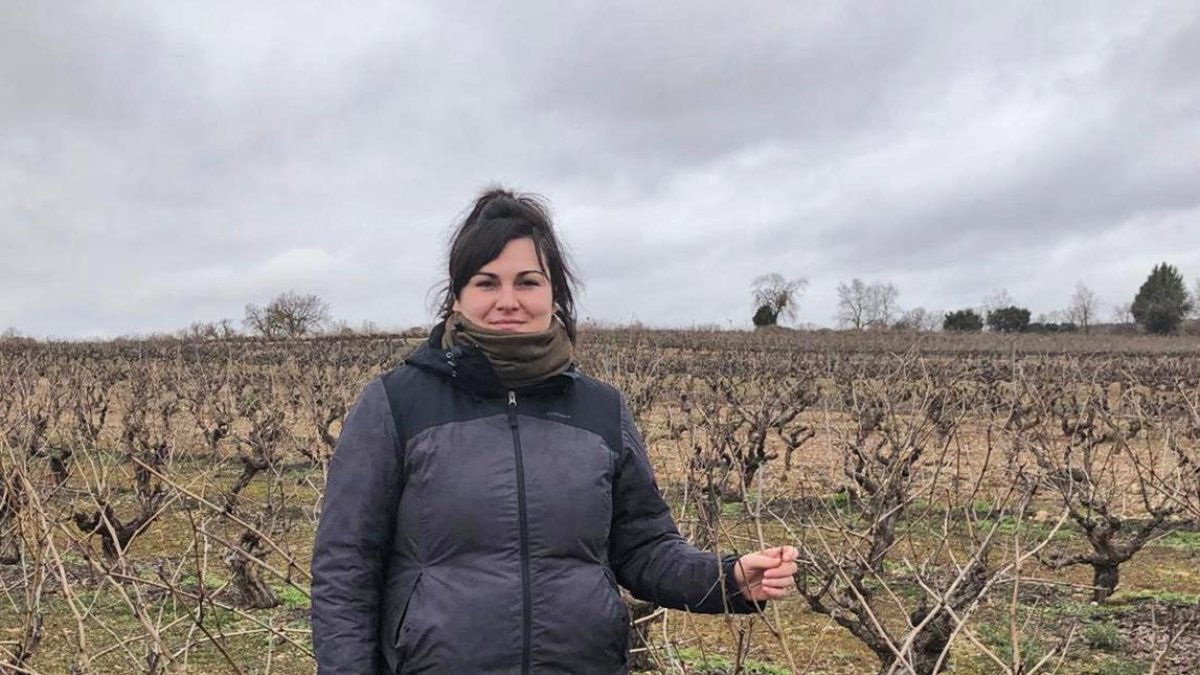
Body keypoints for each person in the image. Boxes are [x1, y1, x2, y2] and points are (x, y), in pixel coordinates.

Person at [311, 188, 798, 674]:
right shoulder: (396, 402)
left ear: (554, 293)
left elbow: (644, 547)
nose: (508, 301)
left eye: (527, 282)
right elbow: (345, 567)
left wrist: (728, 578)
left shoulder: (601, 410)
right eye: (486, 283)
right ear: (457, 297)